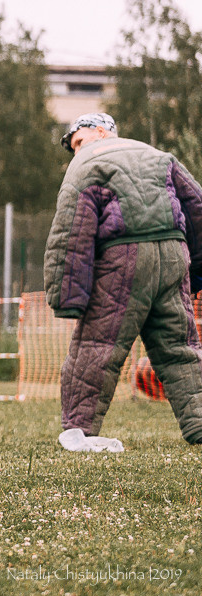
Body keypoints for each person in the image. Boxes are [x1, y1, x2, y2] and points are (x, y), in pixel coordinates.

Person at [44, 112, 202, 452]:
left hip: (124, 259)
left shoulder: (87, 164)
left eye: (79, 141)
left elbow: (71, 230)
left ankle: (80, 431)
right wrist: (198, 271)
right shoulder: (160, 157)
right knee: (180, 348)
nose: (77, 151)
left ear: (101, 132)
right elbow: (198, 207)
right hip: (174, 254)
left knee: (97, 345)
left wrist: (66, 294)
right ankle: (200, 423)